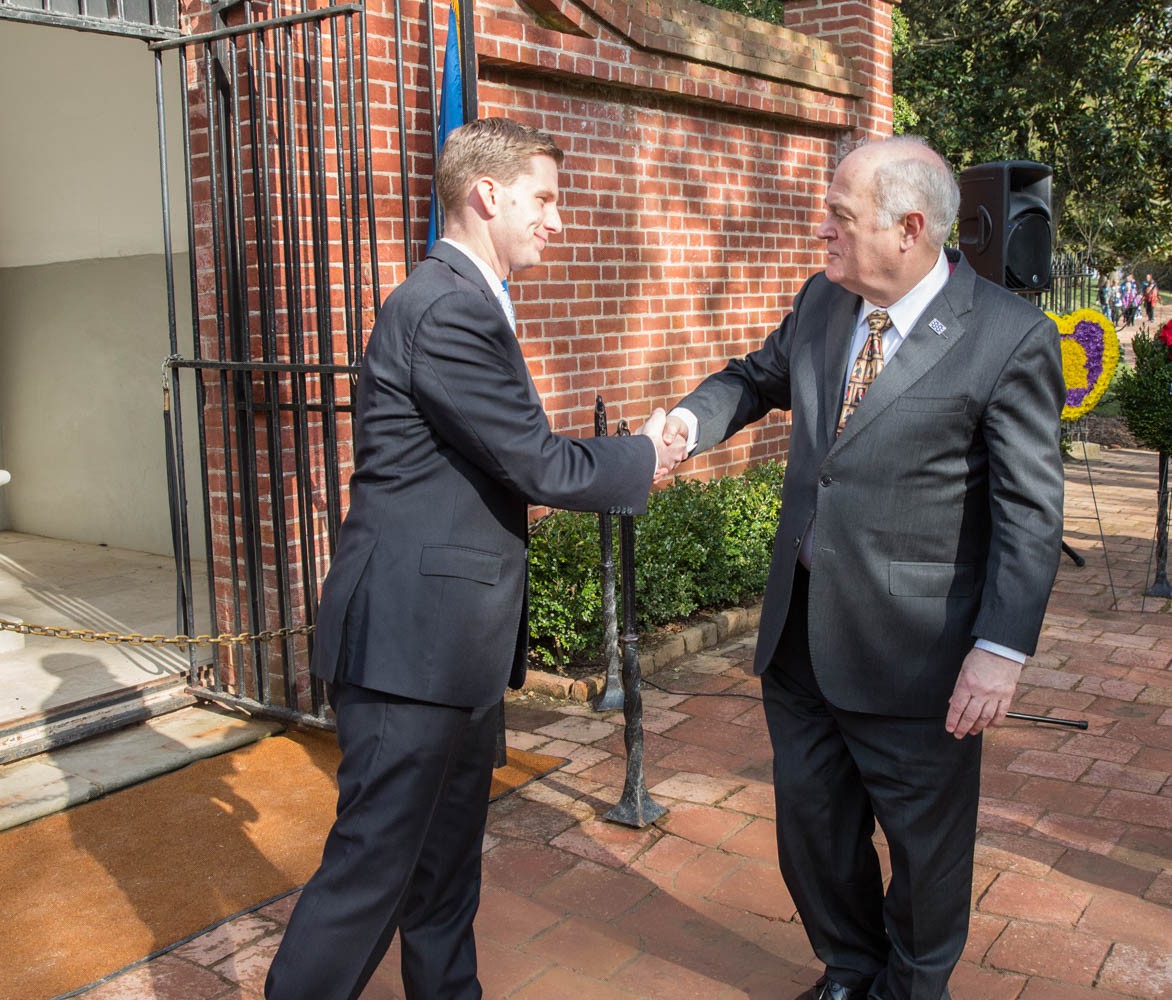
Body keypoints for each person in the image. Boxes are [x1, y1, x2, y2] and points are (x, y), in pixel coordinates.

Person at [264, 117, 680, 1000]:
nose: (556, 220)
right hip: (409, 651)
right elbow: (532, 461)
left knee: (445, 876)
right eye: (544, 198)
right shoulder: (446, 304)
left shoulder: (465, 298)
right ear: (486, 195)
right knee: (368, 881)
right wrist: (645, 454)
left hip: (452, 650)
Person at [661, 137, 1064, 1000]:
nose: (823, 232)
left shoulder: (1008, 336)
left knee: (926, 855)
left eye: (842, 216)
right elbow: (754, 379)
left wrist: (1001, 649)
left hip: (921, 658)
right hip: (802, 637)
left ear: (910, 229)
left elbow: (1031, 511)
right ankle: (850, 968)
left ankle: (912, 989)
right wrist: (687, 425)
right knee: (811, 831)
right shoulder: (823, 301)